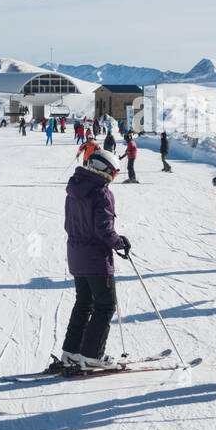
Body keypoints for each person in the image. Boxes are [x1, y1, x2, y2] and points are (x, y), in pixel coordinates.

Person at [59, 149, 131, 371]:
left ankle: (72, 351)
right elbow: (104, 230)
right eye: (114, 173)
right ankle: (92, 355)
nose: (113, 179)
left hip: (76, 255)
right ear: (105, 170)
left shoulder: (74, 189)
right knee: (105, 305)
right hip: (96, 259)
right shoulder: (101, 193)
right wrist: (121, 243)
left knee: (84, 303)